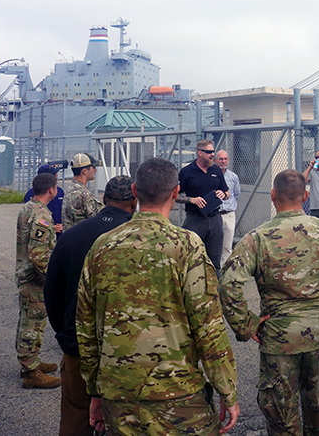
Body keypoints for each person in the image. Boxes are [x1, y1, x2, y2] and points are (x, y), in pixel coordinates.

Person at [77, 158, 239, 436]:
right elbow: (208, 327)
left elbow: (86, 327)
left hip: (119, 394)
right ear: (176, 192)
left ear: (135, 191)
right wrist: (227, 390)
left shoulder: (102, 246)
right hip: (176, 393)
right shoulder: (187, 246)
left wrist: (94, 391)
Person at [218, 169, 319, 436]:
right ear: (306, 196)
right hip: (317, 333)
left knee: (281, 414)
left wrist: (247, 325)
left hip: (277, 337)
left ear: (273, 196)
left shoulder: (258, 238)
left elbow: (228, 284)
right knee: (317, 405)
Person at [44, 175, 136, 436]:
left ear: (103, 200)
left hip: (79, 347)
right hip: (128, 349)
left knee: (76, 417)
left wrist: (66, 333)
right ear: (135, 200)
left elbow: (52, 291)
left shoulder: (72, 236)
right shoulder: (140, 239)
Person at [14, 172, 61, 389]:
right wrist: (52, 279)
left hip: (27, 275)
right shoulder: (42, 215)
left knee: (30, 322)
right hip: (34, 280)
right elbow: (39, 253)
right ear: (51, 190)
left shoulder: (28, 207)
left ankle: (31, 362)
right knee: (32, 324)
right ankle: (31, 371)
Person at [177, 139, 229, 272]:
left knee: (214, 261)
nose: (212, 155)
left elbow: (227, 192)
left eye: (213, 151)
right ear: (200, 153)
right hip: (195, 219)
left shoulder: (216, 170)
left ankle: (214, 291)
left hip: (215, 219)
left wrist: (223, 194)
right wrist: (191, 199)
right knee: (192, 258)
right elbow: (175, 196)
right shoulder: (187, 172)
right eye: (209, 152)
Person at [61, 153, 101, 231]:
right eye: (93, 167)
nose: (95, 170)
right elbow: (99, 219)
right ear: (85, 171)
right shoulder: (84, 194)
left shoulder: (70, 189)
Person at [23, 163, 66, 234]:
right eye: (54, 174)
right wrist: (50, 227)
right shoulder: (32, 194)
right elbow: (30, 218)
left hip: (59, 233)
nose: (57, 175)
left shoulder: (59, 191)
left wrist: (63, 226)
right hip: (42, 232)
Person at [216, 150, 241, 264]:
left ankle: (224, 271)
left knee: (227, 245)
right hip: (215, 214)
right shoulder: (212, 175)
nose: (223, 161)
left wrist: (230, 205)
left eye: (225, 159)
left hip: (229, 214)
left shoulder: (233, 177)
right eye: (220, 159)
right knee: (215, 244)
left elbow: (236, 194)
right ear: (215, 160)